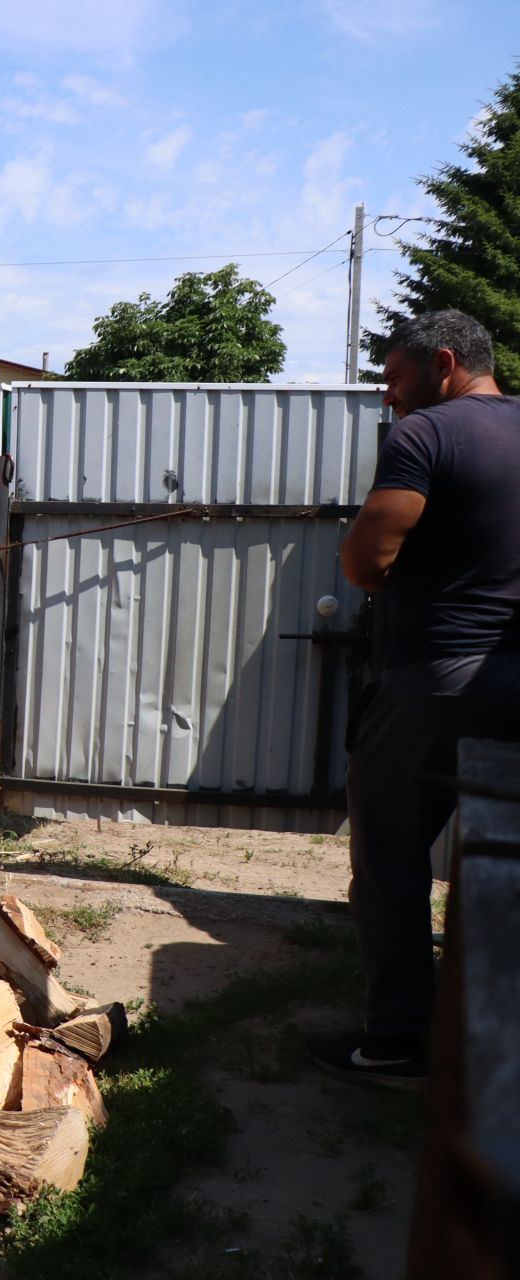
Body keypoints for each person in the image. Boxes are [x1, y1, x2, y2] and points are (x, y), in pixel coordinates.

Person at [312, 310, 520, 1086]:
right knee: (501, 866)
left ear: (443, 363)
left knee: (392, 859)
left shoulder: (425, 435)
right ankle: (493, 1047)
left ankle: (397, 1042)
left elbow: (367, 562)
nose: (391, 398)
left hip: (439, 679)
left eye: (396, 379)